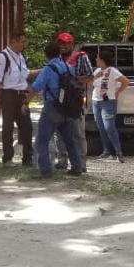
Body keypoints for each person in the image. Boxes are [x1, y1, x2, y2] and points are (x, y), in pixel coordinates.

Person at [28, 41, 83, 178]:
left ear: (46, 55)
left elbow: (36, 87)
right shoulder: (68, 67)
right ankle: (77, 167)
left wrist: (25, 102)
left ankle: (46, 170)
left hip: (52, 107)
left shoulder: (48, 69)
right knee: (69, 139)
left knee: (42, 139)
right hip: (67, 108)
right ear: (59, 53)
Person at [0, 30, 34, 167]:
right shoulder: (2, 57)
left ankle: (28, 158)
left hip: (21, 94)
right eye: (22, 41)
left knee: (26, 126)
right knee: (8, 126)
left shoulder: (21, 56)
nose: (23, 44)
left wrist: (45, 70)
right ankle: (8, 158)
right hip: (8, 94)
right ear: (14, 41)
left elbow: (26, 74)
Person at [53, 32, 92, 172]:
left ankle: (81, 163)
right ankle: (62, 160)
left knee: (78, 131)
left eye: (65, 43)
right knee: (60, 130)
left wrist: (73, 80)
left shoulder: (81, 57)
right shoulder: (56, 58)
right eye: (60, 43)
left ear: (71, 44)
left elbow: (90, 77)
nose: (63, 46)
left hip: (75, 98)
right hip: (60, 98)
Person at [91, 49, 129, 162]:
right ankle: (106, 151)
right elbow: (89, 86)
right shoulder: (97, 71)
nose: (96, 59)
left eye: (97, 58)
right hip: (96, 101)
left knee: (109, 127)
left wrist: (117, 92)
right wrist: (94, 77)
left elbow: (126, 81)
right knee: (101, 127)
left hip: (108, 102)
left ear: (102, 60)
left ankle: (119, 153)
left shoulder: (112, 71)